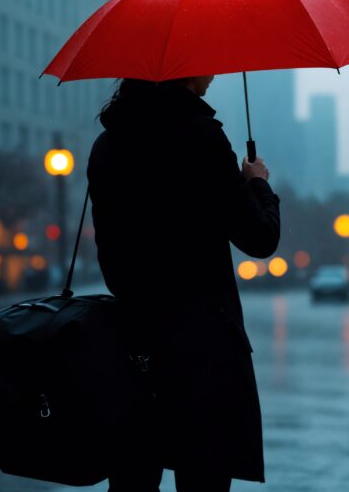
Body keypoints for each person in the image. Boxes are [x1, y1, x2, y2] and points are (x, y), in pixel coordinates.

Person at [88, 77, 280, 492]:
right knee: (204, 476)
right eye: (206, 65)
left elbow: (110, 249)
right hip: (201, 348)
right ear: (183, 72)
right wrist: (258, 183)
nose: (213, 74)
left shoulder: (106, 146)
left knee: (133, 480)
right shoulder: (200, 136)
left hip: (131, 345)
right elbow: (260, 238)